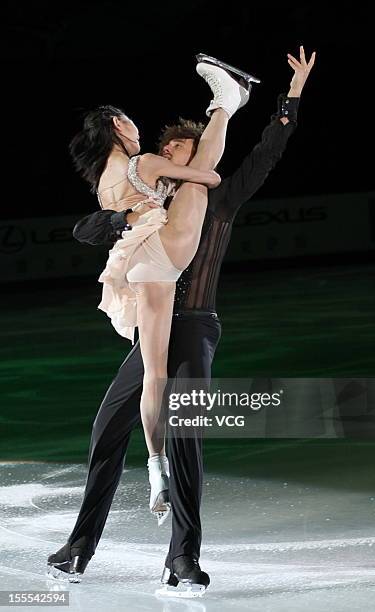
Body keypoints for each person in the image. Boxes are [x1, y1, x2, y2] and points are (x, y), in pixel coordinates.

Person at [47, 47, 316, 597]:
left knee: (185, 434)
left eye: (180, 148)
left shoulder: (215, 196)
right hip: (153, 324)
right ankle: (79, 548)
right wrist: (119, 214)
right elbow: (88, 229)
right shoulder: (151, 203)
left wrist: (290, 99)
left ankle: (183, 558)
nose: (168, 151)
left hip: (193, 324)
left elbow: (266, 153)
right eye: (165, 147)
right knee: (106, 430)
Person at [67, 58, 251, 528]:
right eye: (129, 120)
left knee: (155, 375)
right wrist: (190, 179)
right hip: (166, 249)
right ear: (116, 125)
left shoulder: (103, 184)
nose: (137, 126)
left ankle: (155, 466)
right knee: (206, 165)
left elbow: (98, 225)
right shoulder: (143, 163)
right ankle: (225, 102)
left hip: (140, 268)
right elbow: (209, 177)